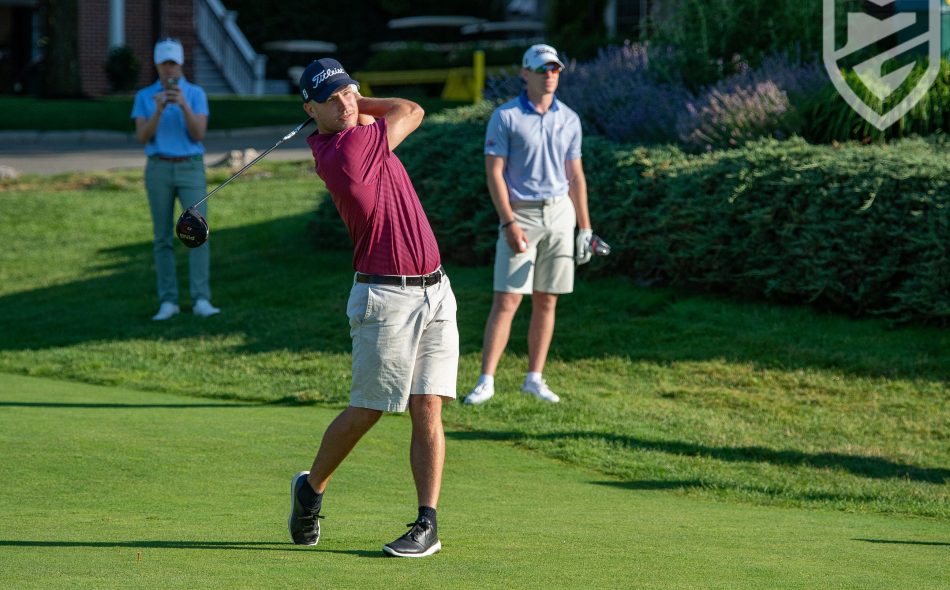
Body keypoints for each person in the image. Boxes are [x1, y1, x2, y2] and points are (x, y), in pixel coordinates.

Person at [287, 58, 458, 558]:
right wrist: (362, 105)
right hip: (385, 298)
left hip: (435, 290)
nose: (344, 103)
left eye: (347, 92)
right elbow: (411, 108)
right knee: (368, 410)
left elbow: (374, 117)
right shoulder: (346, 151)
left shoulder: (350, 134)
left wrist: (347, 104)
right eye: (331, 98)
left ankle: (427, 522)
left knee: (428, 406)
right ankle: (311, 488)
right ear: (309, 109)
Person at [464, 44, 594, 406]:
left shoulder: (569, 118)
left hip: (559, 214)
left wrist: (584, 227)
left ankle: (534, 378)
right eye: (542, 70)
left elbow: (576, 177)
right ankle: (486, 380)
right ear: (525, 73)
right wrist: (508, 222)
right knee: (507, 299)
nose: (549, 75)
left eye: (554, 69)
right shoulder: (505, 117)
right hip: (520, 214)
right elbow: (495, 173)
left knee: (547, 300)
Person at [131, 38, 220, 321]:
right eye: (164, 64)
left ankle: (201, 299)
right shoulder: (145, 96)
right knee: (162, 238)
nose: (169, 70)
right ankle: (168, 301)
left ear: (181, 64)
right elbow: (143, 137)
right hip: (158, 168)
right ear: (156, 65)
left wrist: (182, 105)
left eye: (173, 63)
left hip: (190, 168)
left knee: (198, 234)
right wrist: (158, 110)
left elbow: (198, 134)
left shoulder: (194, 94)